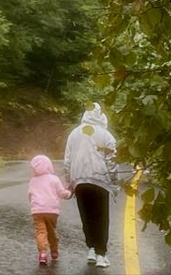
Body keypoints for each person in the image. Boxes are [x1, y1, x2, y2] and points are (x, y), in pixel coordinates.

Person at [64, 102, 117, 269]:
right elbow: (111, 160)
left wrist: (69, 181)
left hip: (79, 179)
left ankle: (91, 250)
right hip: (100, 179)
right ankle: (101, 254)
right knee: (101, 217)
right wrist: (113, 180)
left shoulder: (74, 134)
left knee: (86, 215)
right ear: (101, 115)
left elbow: (67, 160)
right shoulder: (106, 135)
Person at [28, 154, 72, 266]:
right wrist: (69, 193)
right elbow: (61, 193)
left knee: (41, 232)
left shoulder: (33, 180)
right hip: (52, 211)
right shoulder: (54, 179)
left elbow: (30, 195)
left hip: (37, 211)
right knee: (51, 231)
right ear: (49, 165)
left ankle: (42, 254)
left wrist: (34, 204)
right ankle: (54, 251)